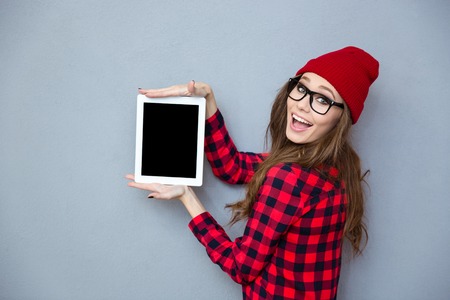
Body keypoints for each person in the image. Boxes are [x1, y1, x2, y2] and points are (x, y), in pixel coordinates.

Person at [126, 46, 379, 299]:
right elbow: (233, 168)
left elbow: (240, 268)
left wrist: (187, 197)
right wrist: (208, 99)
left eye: (322, 99)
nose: (302, 105)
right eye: (302, 88)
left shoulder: (290, 178)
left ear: (341, 117)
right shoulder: (335, 165)